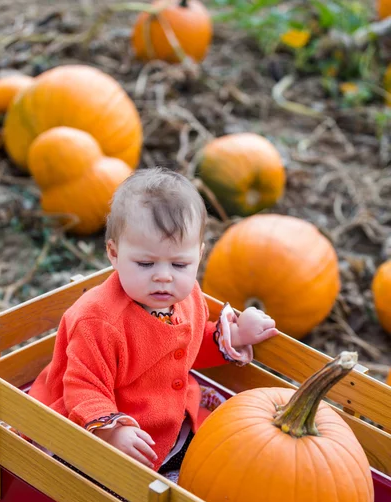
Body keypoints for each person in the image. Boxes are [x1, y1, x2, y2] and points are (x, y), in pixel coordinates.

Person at [29, 168, 278, 475]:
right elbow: (84, 385)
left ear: (198, 256)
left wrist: (237, 335)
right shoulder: (99, 320)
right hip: (112, 423)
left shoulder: (186, 298)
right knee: (117, 487)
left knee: (216, 468)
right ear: (114, 253)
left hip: (170, 417)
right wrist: (112, 430)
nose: (164, 276)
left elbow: (189, 346)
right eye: (146, 263)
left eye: (180, 263)